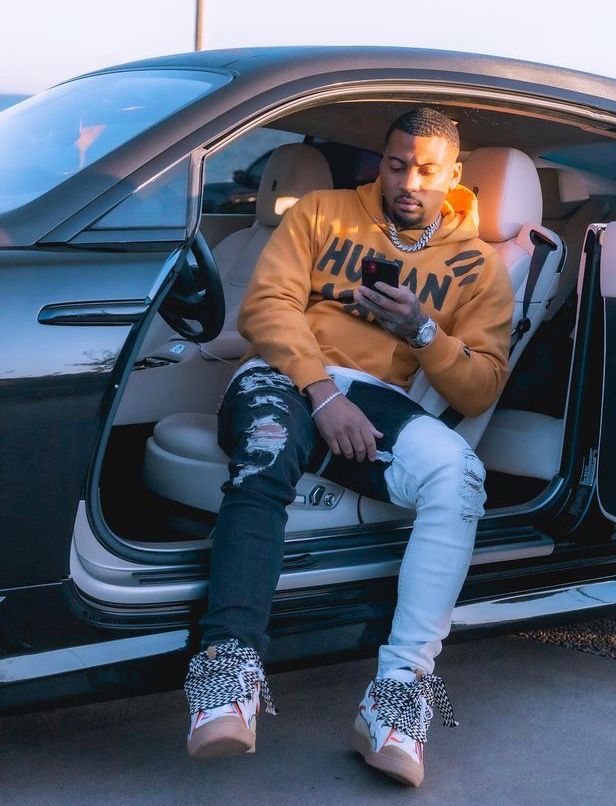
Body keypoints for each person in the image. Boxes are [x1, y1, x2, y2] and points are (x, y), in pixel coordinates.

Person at [183, 107, 514, 787]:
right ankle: (227, 671)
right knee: (268, 449)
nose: (409, 183)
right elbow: (266, 308)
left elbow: (481, 386)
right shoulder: (321, 211)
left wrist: (423, 332)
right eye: (397, 165)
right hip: (283, 375)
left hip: (375, 400)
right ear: (381, 162)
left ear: (454, 174)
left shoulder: (479, 265)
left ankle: (398, 693)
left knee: (459, 475)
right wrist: (322, 394)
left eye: (427, 171)